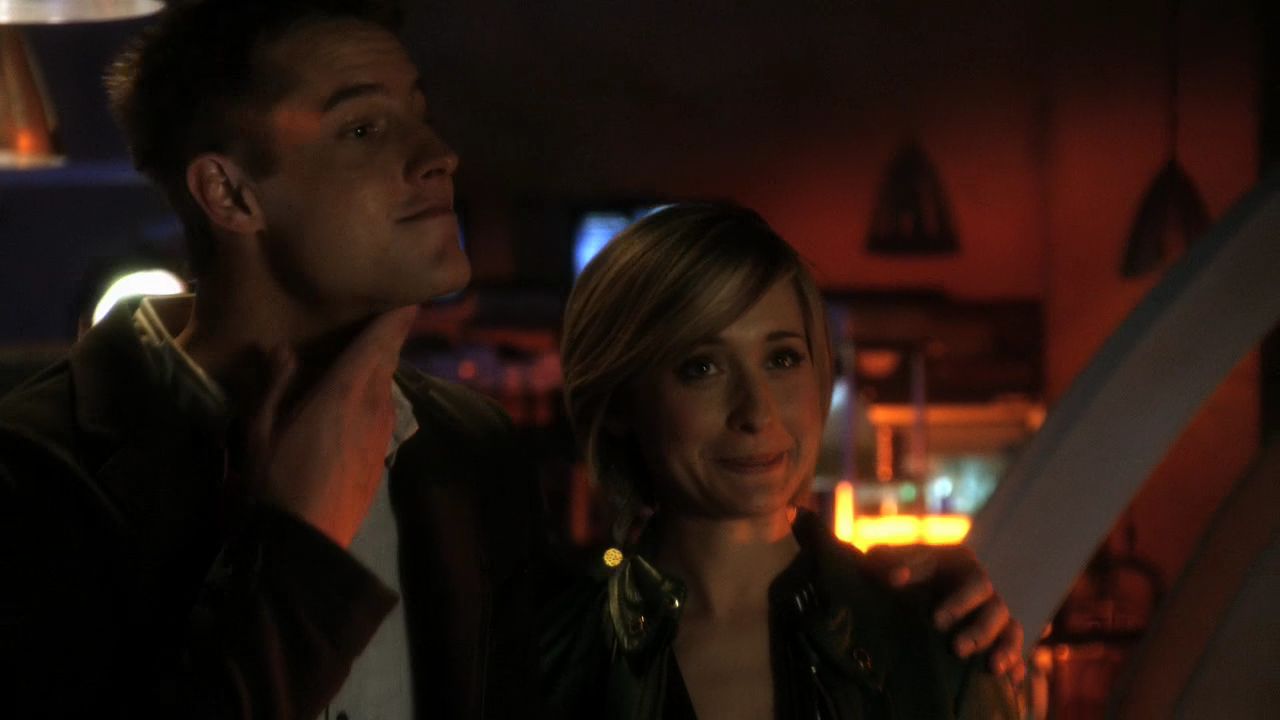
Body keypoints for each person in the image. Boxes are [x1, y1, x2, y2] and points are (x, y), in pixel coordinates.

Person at [0, 2, 1019, 718]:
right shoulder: (35, 471)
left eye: (419, 112)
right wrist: (297, 550)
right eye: (363, 127)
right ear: (230, 194)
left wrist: (931, 608)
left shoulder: (464, 451)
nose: (435, 153)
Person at [544, 203, 1018, 718]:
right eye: (702, 367)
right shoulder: (545, 656)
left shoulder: (932, 642)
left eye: (782, 358)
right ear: (621, 401)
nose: (757, 410)